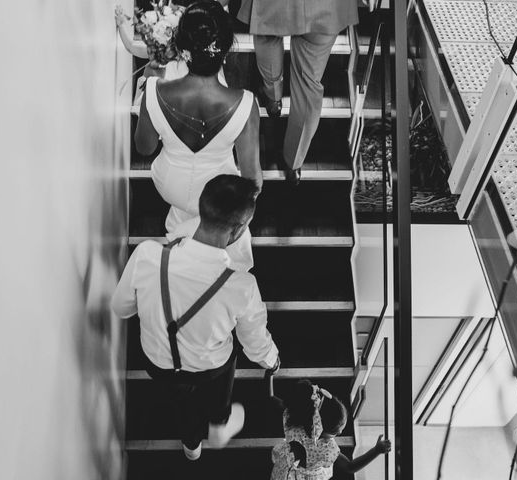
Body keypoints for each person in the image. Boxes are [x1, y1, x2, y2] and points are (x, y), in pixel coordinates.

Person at [111, 175, 280, 460]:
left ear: (202, 209)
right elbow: (254, 343)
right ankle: (219, 423)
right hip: (211, 368)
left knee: (180, 401)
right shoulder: (241, 287)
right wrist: (272, 359)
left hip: (157, 363)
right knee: (230, 356)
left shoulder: (148, 255)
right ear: (239, 229)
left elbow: (121, 308)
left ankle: (191, 445)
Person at [135, 1, 261, 234]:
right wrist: (239, 227)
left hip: (170, 184)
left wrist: (150, 92)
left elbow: (145, 148)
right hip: (219, 196)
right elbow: (253, 180)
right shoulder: (246, 104)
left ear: (182, 47)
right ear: (225, 49)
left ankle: (182, 235)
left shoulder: (154, 90)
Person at [237, 0, 359, 185]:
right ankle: (294, 161)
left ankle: (273, 98)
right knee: (309, 86)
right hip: (326, 7)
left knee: (267, 35)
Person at [270, 380, 391, 479]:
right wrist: (376, 451)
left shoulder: (294, 419)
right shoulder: (327, 450)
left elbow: (272, 399)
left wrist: (269, 378)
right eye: (336, 432)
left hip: (286, 468)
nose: (340, 432)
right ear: (321, 430)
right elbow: (350, 467)